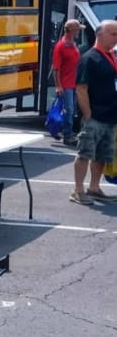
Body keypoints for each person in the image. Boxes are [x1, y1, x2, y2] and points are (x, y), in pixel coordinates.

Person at [69, 19, 117, 205]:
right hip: (95, 115)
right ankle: (78, 190)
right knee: (85, 153)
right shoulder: (89, 58)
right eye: (113, 34)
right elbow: (81, 88)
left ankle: (94, 187)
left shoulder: (110, 56)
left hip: (110, 115)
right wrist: (88, 115)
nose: (115, 38)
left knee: (102, 155)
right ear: (100, 35)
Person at [52, 19, 84, 145]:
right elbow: (56, 68)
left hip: (73, 82)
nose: (79, 32)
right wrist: (58, 86)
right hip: (65, 84)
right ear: (71, 30)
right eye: (78, 30)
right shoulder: (61, 46)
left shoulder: (73, 44)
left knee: (70, 110)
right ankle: (67, 135)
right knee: (69, 110)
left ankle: (64, 131)